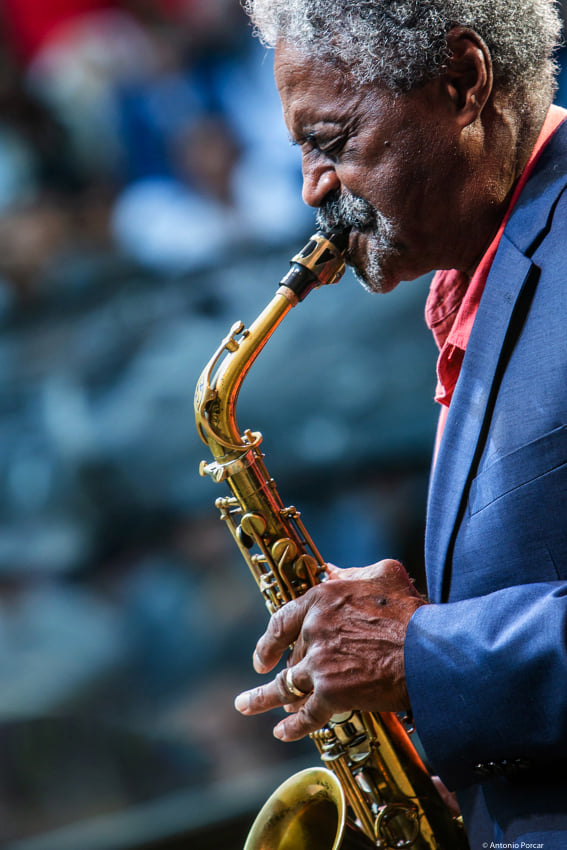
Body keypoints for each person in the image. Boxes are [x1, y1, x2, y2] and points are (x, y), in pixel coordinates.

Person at [232, 1, 567, 846]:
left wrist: (422, 651)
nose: (312, 188)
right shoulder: (479, 278)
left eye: (332, 142)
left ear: (462, 81)